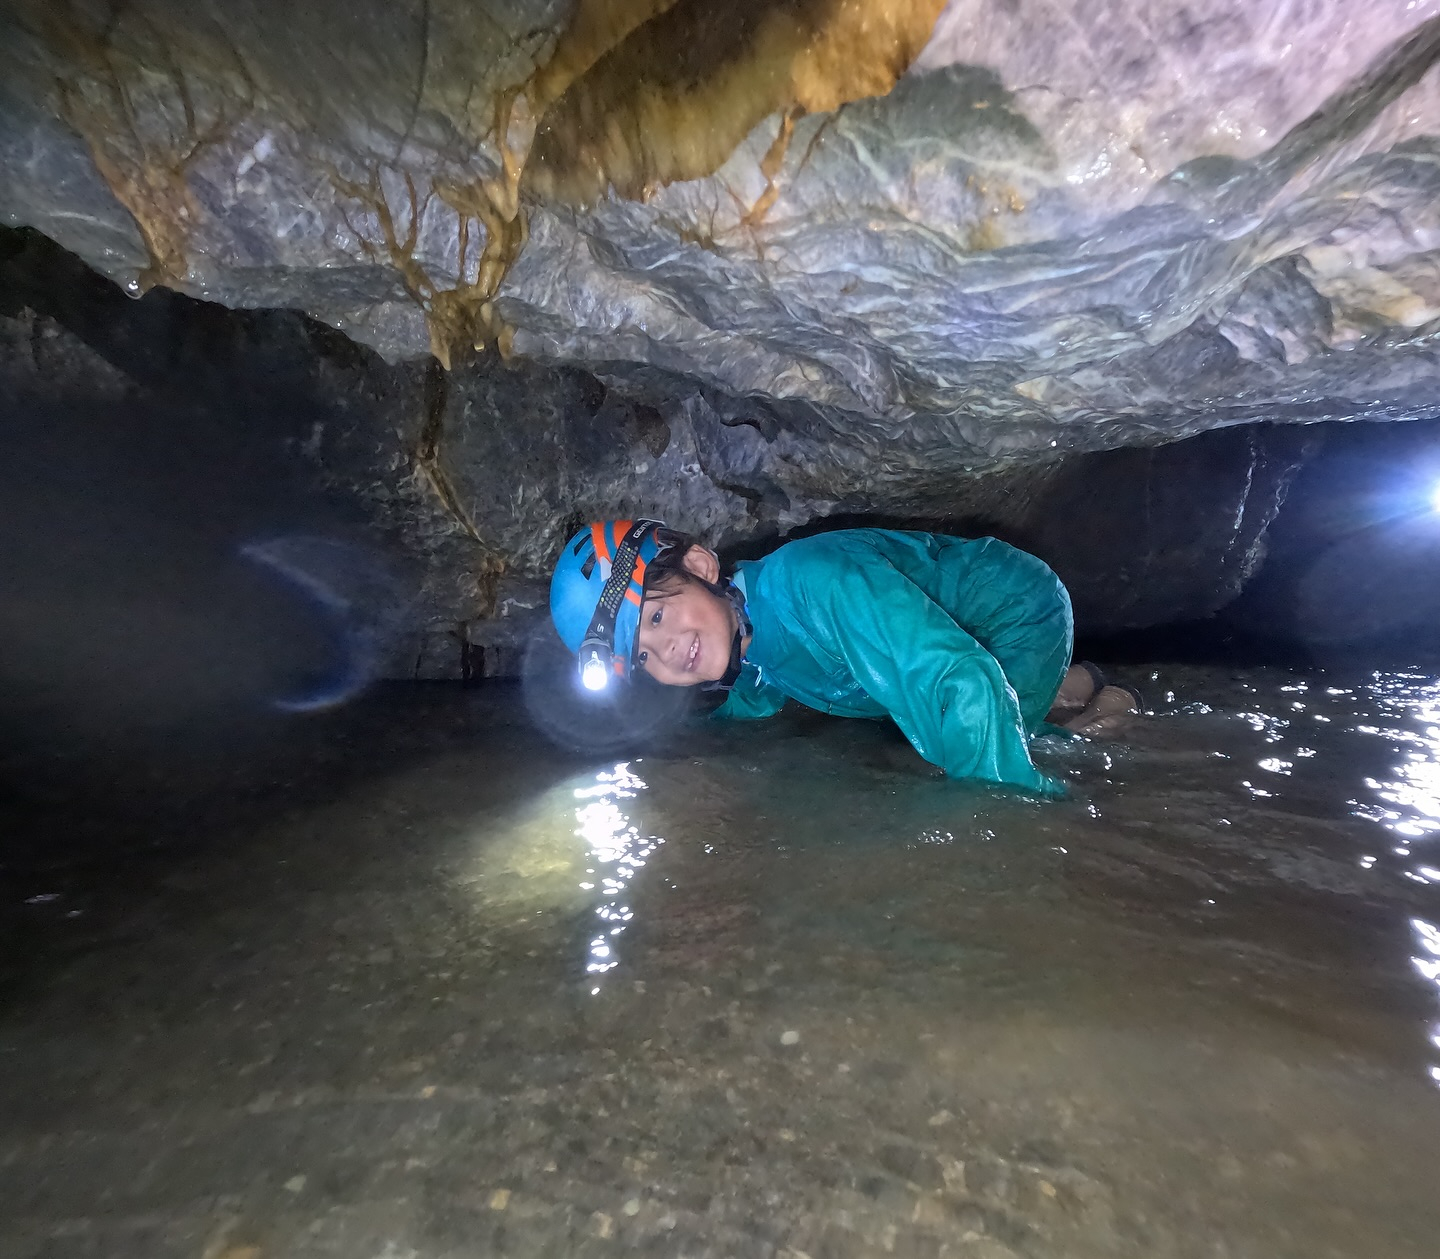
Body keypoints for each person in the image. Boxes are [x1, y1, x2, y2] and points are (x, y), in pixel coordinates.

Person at [549, 519, 1139, 796]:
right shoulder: (746, 640)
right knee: (927, 733)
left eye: (655, 617)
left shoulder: (813, 583)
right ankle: (1076, 680)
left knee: (973, 754)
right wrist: (694, 747)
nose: (668, 650)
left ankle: (1110, 706)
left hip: (1012, 609)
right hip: (948, 633)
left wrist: (997, 813)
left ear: (702, 568)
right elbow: (757, 695)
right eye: (644, 656)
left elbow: (960, 676)